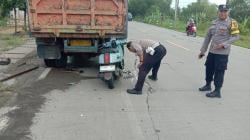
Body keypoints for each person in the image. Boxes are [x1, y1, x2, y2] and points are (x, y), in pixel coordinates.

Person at [198, 4, 240, 98]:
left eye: (225, 11)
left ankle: (217, 91)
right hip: (212, 52)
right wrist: (203, 51)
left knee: (219, 71)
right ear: (218, 12)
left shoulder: (232, 22)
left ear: (228, 12)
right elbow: (208, 37)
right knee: (208, 68)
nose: (223, 13)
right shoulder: (214, 22)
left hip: (222, 53)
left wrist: (223, 44)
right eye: (221, 11)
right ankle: (208, 85)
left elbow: (236, 37)